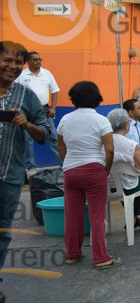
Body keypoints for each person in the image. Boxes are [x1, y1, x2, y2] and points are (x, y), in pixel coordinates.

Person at [0, 42, 51, 300]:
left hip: (9, 176)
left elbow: (44, 135)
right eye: (7, 60)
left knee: (2, 232)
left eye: (18, 63)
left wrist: (26, 123)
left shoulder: (26, 95)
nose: (13, 66)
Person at [57, 81, 122, 269]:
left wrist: (67, 163)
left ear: (74, 98)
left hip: (71, 171)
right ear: (97, 97)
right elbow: (109, 150)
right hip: (94, 170)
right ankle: (101, 257)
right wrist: (105, 170)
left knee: (72, 215)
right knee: (96, 215)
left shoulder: (65, 119)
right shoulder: (102, 120)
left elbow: (61, 146)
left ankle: (72, 254)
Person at [15, 51, 62, 169]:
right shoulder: (22, 75)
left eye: (39, 60)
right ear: (28, 61)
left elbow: (55, 91)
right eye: (35, 60)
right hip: (27, 113)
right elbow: (15, 91)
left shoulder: (46, 73)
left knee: (53, 138)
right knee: (27, 141)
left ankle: (64, 166)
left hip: (45, 111)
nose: (38, 62)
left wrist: (53, 108)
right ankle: (30, 169)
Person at [106, 108, 140, 230]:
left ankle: (135, 218)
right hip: (128, 187)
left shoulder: (102, 143)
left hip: (107, 187)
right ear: (126, 124)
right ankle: (136, 217)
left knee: (123, 182)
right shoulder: (131, 144)